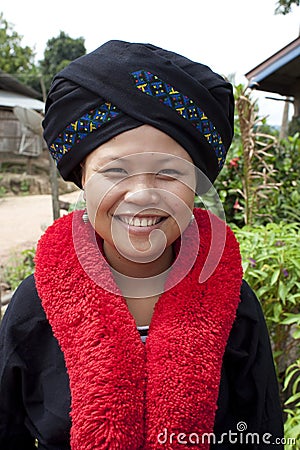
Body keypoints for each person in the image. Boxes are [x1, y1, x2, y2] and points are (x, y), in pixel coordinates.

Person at [0, 40, 283, 450]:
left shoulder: (238, 310)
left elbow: (261, 432)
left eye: (170, 173)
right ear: (81, 174)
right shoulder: (33, 309)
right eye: (114, 171)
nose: (142, 195)